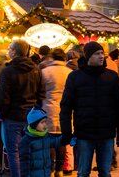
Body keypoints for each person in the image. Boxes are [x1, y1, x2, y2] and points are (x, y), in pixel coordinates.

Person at [60, 41, 119, 177]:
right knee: (83, 172)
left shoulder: (111, 76)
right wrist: (66, 131)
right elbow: (66, 106)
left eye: (102, 53)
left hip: (106, 132)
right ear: (88, 56)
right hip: (84, 133)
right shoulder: (75, 77)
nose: (102, 56)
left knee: (105, 172)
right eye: (97, 54)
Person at [0, 40, 45, 177]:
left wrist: (1, 113)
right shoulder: (36, 70)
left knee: (14, 151)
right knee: (30, 150)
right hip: (32, 116)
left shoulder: (8, 71)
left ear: (15, 51)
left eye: (10, 48)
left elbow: (3, 96)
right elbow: (42, 93)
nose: (8, 50)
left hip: (13, 116)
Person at [41, 47, 72, 177]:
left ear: (52, 58)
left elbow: (39, 91)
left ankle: (51, 170)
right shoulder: (69, 72)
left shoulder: (45, 72)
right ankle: (59, 170)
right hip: (65, 110)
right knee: (62, 141)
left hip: (47, 109)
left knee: (49, 142)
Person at [21, 107, 69, 177]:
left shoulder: (45, 136)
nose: (45, 125)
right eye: (42, 122)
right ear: (34, 124)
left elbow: (55, 142)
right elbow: (24, 164)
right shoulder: (26, 141)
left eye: (45, 122)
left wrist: (67, 138)